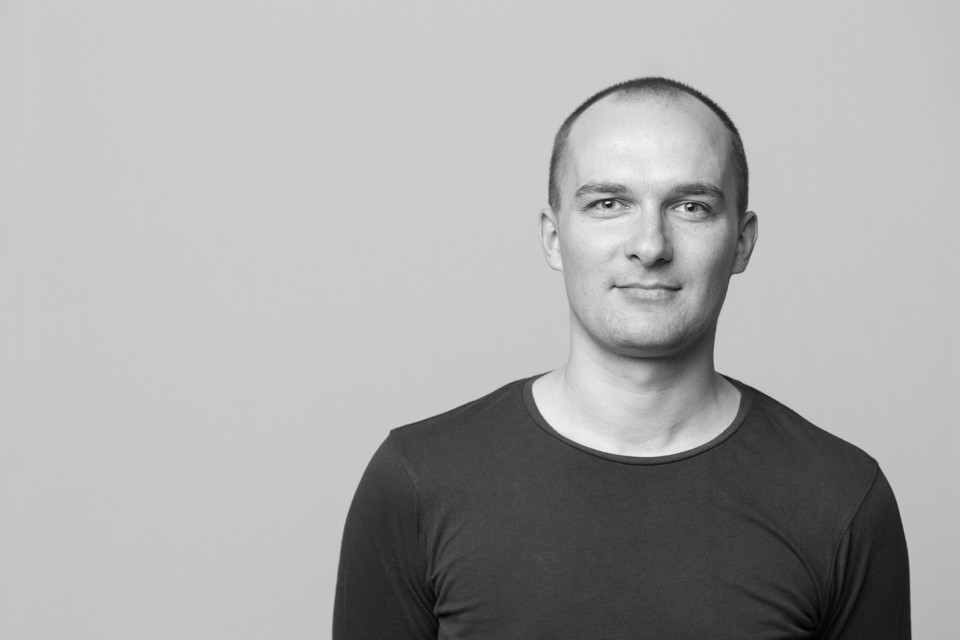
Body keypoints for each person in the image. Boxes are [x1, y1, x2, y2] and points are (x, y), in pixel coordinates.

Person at [333, 77, 910, 639]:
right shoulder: (416, 481)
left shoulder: (842, 498)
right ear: (553, 238)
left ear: (741, 242)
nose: (650, 246)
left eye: (691, 206)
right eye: (609, 203)